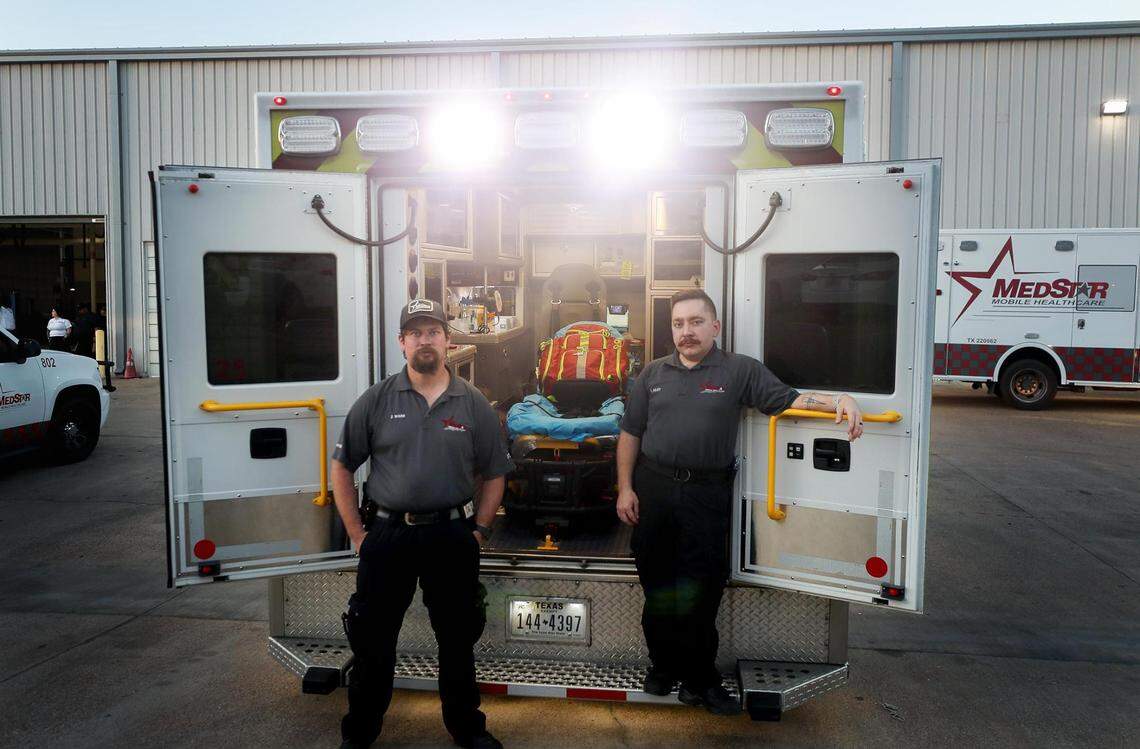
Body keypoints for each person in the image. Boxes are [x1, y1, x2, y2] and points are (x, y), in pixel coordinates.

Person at [616, 288, 864, 716]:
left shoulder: (738, 371)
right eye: (678, 324)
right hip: (653, 490)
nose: (686, 332)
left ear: (715, 327)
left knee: (703, 589)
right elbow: (630, 433)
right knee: (656, 583)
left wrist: (838, 400)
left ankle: (701, 680)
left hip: (705, 495)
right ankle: (663, 665)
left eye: (696, 322)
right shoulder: (652, 374)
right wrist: (625, 487)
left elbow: (790, 399)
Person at [331, 298, 512, 749]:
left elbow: (495, 473)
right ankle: (361, 731)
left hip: (452, 536)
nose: (425, 340)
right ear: (402, 343)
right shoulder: (376, 400)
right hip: (388, 535)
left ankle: (466, 729)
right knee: (373, 640)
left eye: (433, 331)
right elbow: (341, 467)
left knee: (456, 640)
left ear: (449, 341)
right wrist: (357, 533)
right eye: (416, 333)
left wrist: (481, 529)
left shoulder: (472, 404)